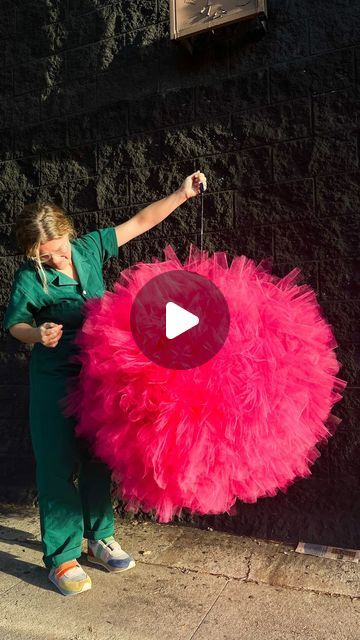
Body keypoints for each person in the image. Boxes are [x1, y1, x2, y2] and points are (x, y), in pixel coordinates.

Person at [4, 171, 207, 596]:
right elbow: (17, 325)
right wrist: (36, 335)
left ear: (69, 235)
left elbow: (139, 222)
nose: (56, 259)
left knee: (100, 457)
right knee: (57, 465)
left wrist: (181, 194)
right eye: (45, 256)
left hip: (97, 374)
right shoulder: (29, 276)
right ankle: (61, 558)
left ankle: (100, 536)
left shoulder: (89, 246)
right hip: (54, 380)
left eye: (58, 250)